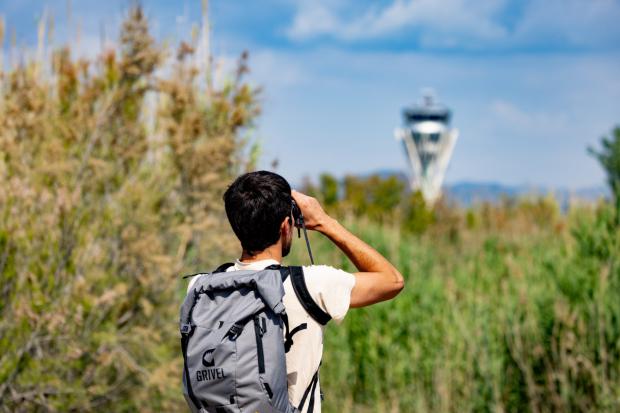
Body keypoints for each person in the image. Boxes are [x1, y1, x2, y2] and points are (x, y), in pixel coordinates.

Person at [189, 170, 404, 413]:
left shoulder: (199, 289)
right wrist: (324, 221)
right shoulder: (309, 284)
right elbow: (392, 281)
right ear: (286, 226)